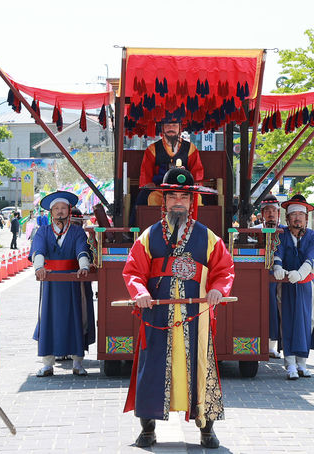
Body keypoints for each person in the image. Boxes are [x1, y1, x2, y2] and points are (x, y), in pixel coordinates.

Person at [122, 167, 234, 449]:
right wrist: (141, 292)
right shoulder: (148, 236)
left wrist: (218, 289)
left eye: (183, 196)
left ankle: (206, 429)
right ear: (164, 200)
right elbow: (133, 271)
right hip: (157, 314)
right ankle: (147, 429)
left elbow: (224, 268)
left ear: (191, 201)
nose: (177, 202)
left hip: (195, 316)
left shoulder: (208, 237)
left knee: (201, 367)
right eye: (171, 196)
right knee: (151, 369)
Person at [30, 191, 95, 377]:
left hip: (73, 281)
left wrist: (83, 267)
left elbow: (82, 250)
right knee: (48, 319)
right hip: (50, 281)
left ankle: (77, 363)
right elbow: (38, 249)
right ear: (51, 212)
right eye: (56, 209)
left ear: (69, 210)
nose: (60, 212)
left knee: (76, 319)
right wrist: (39, 268)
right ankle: (47, 364)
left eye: (63, 208)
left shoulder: (76, 231)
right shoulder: (42, 231)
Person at [273, 194, 314, 380]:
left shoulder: (313, 237)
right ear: (287, 218)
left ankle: (302, 363)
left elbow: (313, 260)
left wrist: (301, 273)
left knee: (306, 322)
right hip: (285, 286)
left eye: (300, 216)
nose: (297, 218)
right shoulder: (281, 234)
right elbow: (276, 253)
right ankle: (290, 364)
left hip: (305, 286)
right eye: (293, 215)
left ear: (306, 219)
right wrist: (277, 266)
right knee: (286, 322)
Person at [254, 193, 284, 358]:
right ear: (262, 214)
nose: (271, 213)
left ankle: (273, 344)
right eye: (267, 210)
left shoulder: (284, 232)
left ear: (279, 213)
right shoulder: (254, 232)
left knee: (277, 309)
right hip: (259, 276)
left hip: (281, 276)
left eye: (274, 210)